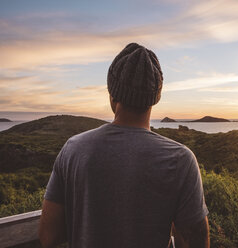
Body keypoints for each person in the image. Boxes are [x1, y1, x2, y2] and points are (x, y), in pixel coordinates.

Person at [38, 43, 210, 248]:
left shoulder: (73, 149)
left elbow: (49, 236)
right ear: (156, 98)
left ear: (112, 94)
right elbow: (196, 242)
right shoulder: (180, 160)